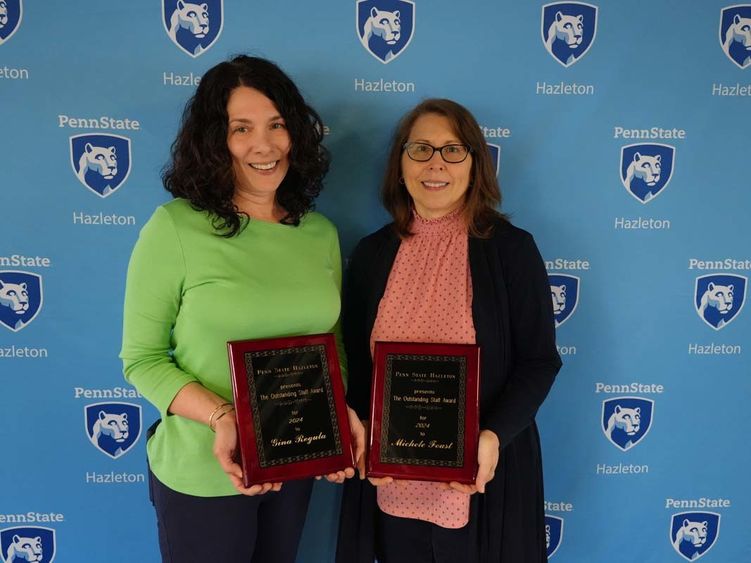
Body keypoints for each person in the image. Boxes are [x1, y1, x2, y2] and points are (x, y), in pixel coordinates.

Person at [120, 55, 364, 563]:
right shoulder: (175, 228)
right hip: (202, 473)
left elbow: (331, 344)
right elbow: (142, 359)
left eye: (277, 125)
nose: (264, 144)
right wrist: (224, 417)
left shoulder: (318, 234)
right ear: (215, 141)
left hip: (293, 465)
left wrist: (334, 416)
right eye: (242, 128)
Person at [337, 99, 561, 563]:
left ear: (475, 165)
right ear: (399, 165)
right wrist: (358, 429)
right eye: (420, 149)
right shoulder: (371, 254)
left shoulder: (511, 252)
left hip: (482, 479)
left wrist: (494, 435)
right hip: (391, 482)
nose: (435, 163)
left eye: (453, 150)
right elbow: (356, 367)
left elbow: (538, 362)